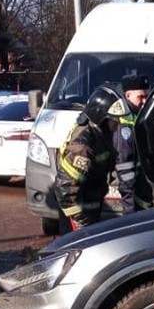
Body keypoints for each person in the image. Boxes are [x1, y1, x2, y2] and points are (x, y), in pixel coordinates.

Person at [55, 85, 130, 230]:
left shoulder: (101, 134)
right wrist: (80, 221)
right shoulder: (82, 147)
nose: (118, 123)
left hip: (92, 207)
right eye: (114, 120)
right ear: (100, 117)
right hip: (78, 218)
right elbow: (65, 188)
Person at [105, 75, 150, 216]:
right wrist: (129, 204)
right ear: (128, 95)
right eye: (140, 97)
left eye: (146, 97)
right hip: (130, 186)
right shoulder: (123, 122)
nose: (144, 101)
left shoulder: (137, 115)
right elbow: (124, 162)